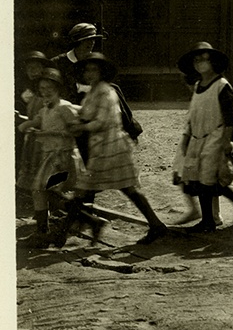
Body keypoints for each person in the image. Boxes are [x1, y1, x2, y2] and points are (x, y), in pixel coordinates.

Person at [66, 53, 170, 245]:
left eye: (94, 69)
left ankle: (67, 231)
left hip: (111, 146)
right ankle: (155, 225)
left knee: (93, 187)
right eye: (87, 69)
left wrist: (81, 126)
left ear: (102, 71)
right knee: (121, 188)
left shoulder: (106, 91)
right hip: (101, 146)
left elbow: (102, 121)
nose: (90, 73)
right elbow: (85, 113)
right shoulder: (93, 91)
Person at [174, 42, 233, 232]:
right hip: (197, 136)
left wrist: (226, 141)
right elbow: (193, 114)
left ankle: (209, 220)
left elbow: (229, 118)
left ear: (213, 62)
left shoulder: (221, 86)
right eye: (196, 60)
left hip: (215, 135)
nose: (200, 63)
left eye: (204, 59)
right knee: (197, 177)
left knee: (207, 178)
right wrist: (187, 137)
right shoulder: (199, 85)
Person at [17, 68, 80, 245]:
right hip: (50, 158)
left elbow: (75, 130)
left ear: (58, 89)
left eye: (49, 88)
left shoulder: (64, 107)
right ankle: (45, 230)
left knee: (41, 191)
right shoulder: (45, 109)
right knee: (43, 192)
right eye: (42, 88)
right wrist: (26, 124)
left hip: (63, 158)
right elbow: (37, 122)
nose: (45, 92)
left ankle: (43, 232)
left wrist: (49, 134)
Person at [51, 23, 106, 104]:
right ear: (76, 42)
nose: (91, 43)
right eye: (86, 40)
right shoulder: (58, 62)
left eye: (93, 40)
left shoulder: (96, 62)